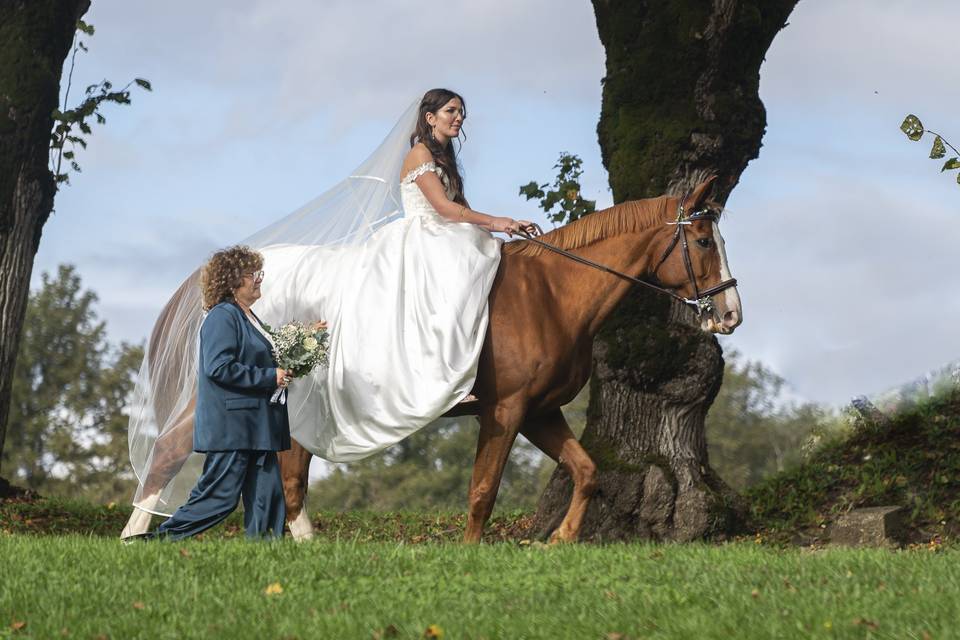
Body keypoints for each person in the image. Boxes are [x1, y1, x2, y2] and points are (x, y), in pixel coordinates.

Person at [125, 89, 541, 524]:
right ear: (430, 116)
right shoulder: (419, 153)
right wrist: (500, 221)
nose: (459, 119)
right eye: (452, 112)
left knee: (476, 264)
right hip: (424, 239)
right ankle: (448, 367)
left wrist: (491, 232)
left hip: (447, 236)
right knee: (447, 283)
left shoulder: (446, 156)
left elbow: (460, 209)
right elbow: (442, 208)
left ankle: (461, 367)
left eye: (462, 113)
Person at [129, 246, 295, 541]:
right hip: (233, 427)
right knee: (217, 500)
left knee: (267, 498)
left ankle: (268, 555)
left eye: (259, 273)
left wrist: (303, 343)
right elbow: (219, 368)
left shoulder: (249, 317)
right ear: (232, 281)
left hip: (258, 427)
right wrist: (270, 376)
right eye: (252, 274)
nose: (259, 279)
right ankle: (154, 543)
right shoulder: (222, 317)